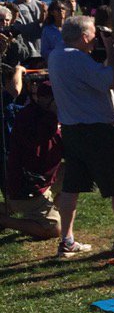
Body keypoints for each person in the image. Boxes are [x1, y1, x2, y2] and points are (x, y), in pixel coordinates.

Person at [46, 15, 114, 259]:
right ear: (83, 37)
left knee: (72, 186)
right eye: (94, 34)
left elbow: (90, 78)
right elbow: (111, 80)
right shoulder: (76, 58)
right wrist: (111, 49)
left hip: (72, 130)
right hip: (97, 131)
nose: (96, 39)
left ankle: (66, 240)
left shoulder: (56, 55)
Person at [0, 76, 62, 240]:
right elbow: (43, 140)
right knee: (53, 229)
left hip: (42, 179)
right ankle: (5, 220)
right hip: (27, 186)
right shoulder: (33, 119)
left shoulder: (43, 114)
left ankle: (36, 212)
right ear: (44, 99)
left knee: (77, 176)